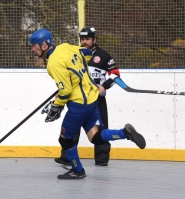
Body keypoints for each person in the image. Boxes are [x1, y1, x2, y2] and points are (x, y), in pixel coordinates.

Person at [29, 28, 146, 179]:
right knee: (95, 137)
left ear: (44, 44)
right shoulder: (65, 46)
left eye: (34, 45)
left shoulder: (53, 63)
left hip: (79, 104)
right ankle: (125, 133)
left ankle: (78, 171)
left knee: (64, 139)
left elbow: (65, 91)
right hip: (92, 98)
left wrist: (57, 105)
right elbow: (88, 53)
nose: (33, 49)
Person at [54, 26, 119, 167]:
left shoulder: (103, 55)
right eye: (82, 39)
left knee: (100, 127)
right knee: (72, 126)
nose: (84, 42)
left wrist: (104, 86)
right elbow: (67, 76)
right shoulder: (75, 54)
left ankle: (102, 159)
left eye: (87, 39)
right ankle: (66, 157)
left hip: (97, 98)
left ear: (94, 39)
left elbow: (115, 74)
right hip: (78, 97)